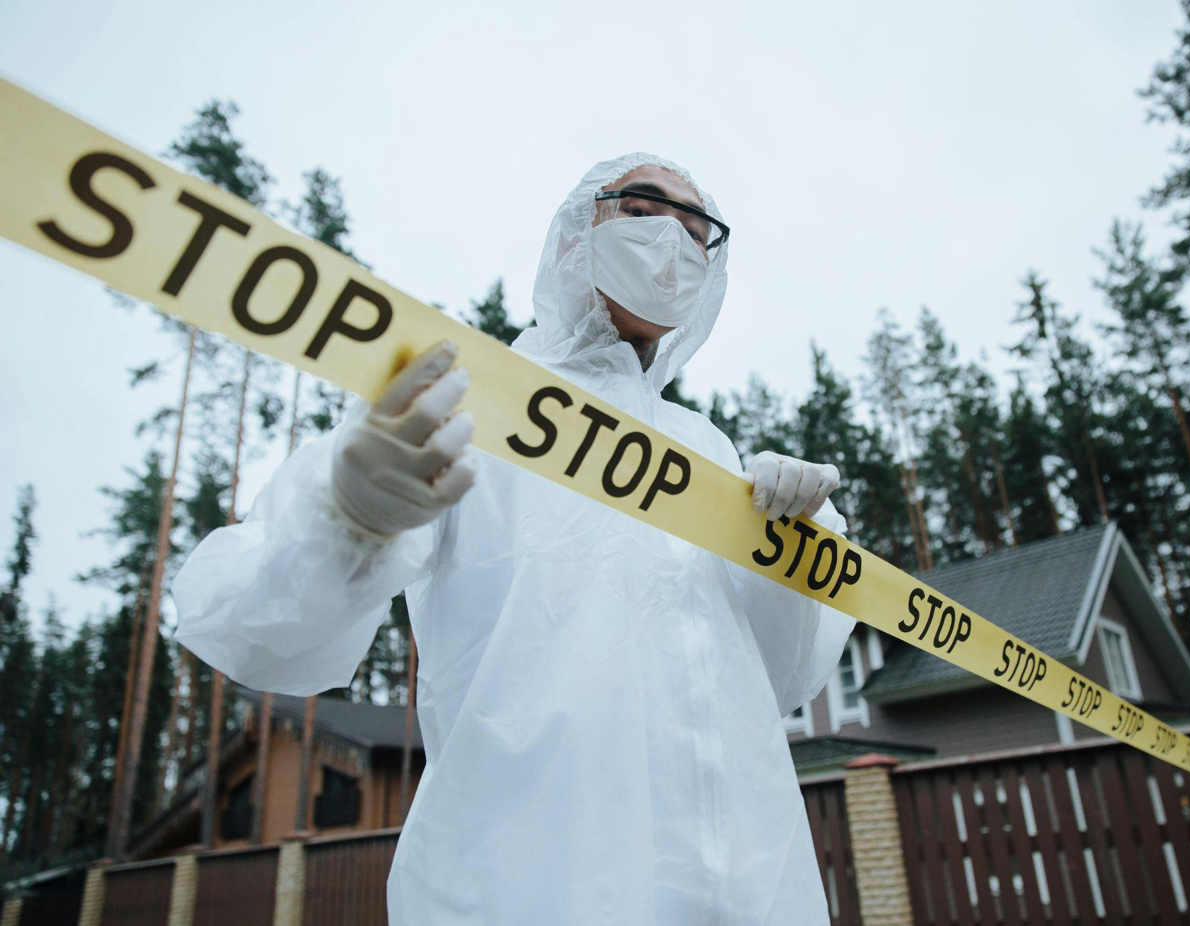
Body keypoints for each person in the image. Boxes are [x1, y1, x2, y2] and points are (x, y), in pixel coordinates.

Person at [173, 153, 856, 924]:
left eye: (700, 232)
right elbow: (259, 634)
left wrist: (800, 557)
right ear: (577, 230)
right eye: (643, 210)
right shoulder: (480, 400)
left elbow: (783, 678)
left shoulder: (709, 452)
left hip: (749, 892)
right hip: (529, 886)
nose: (674, 240)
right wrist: (345, 514)